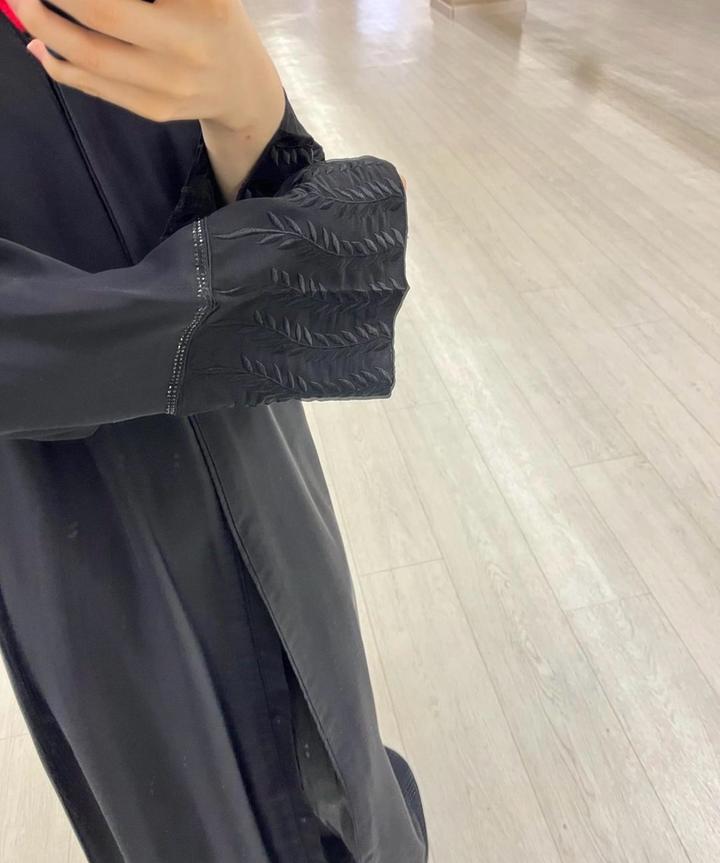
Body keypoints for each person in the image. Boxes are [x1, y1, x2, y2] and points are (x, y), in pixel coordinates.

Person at [0, 1, 428, 862]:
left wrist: (250, 112)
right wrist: (262, 289)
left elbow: (240, 162)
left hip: (254, 439)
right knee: (187, 807)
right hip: (78, 514)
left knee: (341, 752)